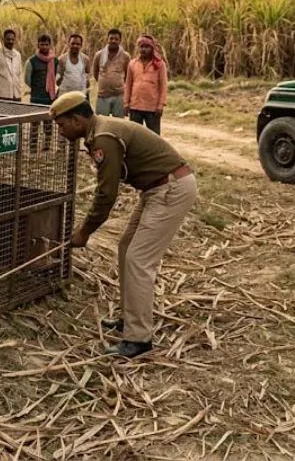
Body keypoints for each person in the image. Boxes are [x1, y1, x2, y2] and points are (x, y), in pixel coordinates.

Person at [50, 91, 197, 358]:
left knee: (139, 260)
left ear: (77, 120)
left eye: (62, 125)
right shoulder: (99, 130)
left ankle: (139, 339)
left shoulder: (104, 137)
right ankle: (131, 318)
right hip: (156, 190)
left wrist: (84, 233)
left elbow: (106, 194)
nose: (60, 132)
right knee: (126, 247)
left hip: (170, 189)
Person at [125, 35, 168, 134]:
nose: (143, 49)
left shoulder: (159, 65)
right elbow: (128, 85)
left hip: (152, 109)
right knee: (135, 136)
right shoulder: (132, 64)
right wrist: (126, 103)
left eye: (146, 47)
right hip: (135, 107)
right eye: (141, 47)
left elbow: (163, 86)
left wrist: (160, 105)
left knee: (154, 137)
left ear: (152, 48)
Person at [25, 34, 61, 151]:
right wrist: (37, 88)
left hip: (49, 98)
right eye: (42, 44)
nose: (44, 47)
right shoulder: (32, 61)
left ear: (50, 45)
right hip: (36, 98)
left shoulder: (55, 61)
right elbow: (27, 79)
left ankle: (46, 146)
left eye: (46, 44)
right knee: (34, 125)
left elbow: (57, 77)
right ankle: (33, 147)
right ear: (38, 45)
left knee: (48, 124)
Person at [92, 28, 131, 117]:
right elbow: (95, 73)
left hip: (119, 96)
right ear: (107, 39)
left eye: (116, 39)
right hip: (102, 95)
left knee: (118, 124)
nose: (113, 41)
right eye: (111, 38)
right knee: (102, 122)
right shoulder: (99, 55)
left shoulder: (125, 56)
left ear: (120, 41)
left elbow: (128, 76)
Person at [0, 29, 24, 101]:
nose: (10, 41)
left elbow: (20, 73)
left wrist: (21, 88)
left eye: (12, 39)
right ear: (3, 39)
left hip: (16, 93)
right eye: (8, 39)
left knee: (16, 112)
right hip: (2, 93)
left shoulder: (17, 55)